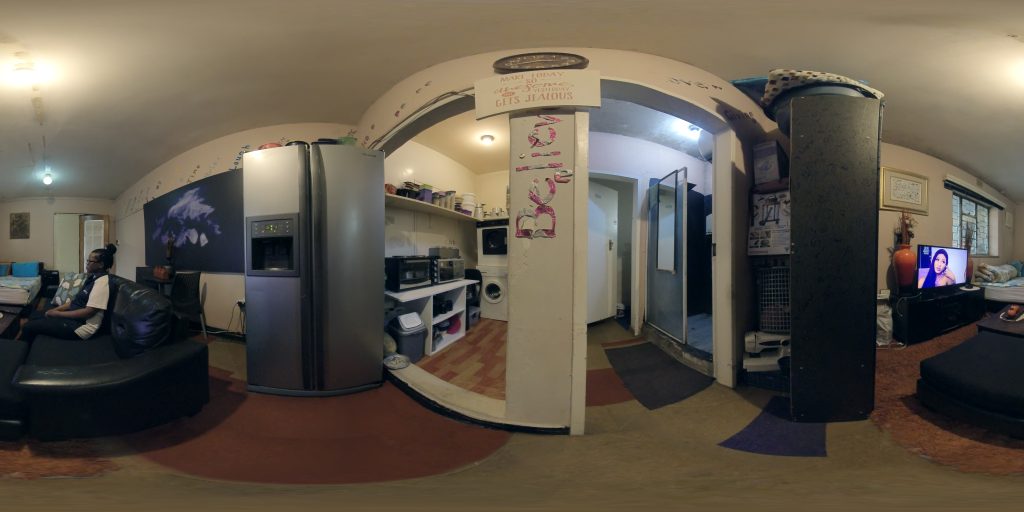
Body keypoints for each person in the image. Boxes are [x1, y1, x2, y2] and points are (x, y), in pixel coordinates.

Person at [19, 244, 117, 343]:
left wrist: (58, 314)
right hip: (73, 319)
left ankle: (20, 348)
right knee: (34, 315)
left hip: (80, 328)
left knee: (28, 327)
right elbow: (75, 301)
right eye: (87, 260)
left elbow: (88, 312)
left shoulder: (102, 283)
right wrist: (55, 310)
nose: (87, 263)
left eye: (90, 261)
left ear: (101, 264)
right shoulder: (92, 278)